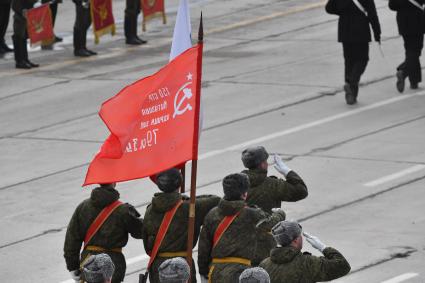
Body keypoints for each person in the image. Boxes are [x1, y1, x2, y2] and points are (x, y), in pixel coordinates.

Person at [198, 173, 286, 283]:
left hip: (216, 272)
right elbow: (271, 224)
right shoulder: (251, 214)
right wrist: (280, 214)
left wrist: (203, 272)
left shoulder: (212, 214)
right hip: (240, 273)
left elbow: (203, 248)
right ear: (244, 194)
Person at [142, 168, 220, 283]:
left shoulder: (150, 210)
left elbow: (146, 241)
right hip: (182, 264)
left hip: (158, 266)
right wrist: (187, 198)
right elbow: (215, 200)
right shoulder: (189, 207)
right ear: (180, 183)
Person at [241, 146, 308, 265]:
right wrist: (287, 171)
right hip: (265, 248)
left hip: (240, 246)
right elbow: (301, 191)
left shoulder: (237, 184)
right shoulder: (272, 185)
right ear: (262, 164)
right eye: (265, 161)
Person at [64, 183, 143, 283]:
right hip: (113, 266)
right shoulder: (123, 210)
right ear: (114, 183)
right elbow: (140, 232)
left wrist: (72, 266)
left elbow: (72, 239)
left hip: (88, 263)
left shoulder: (83, 207)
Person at [326, 0, 381, 105]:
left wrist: (343, 12)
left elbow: (329, 8)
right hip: (360, 29)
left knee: (349, 61)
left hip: (344, 29)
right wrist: (377, 33)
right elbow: (372, 14)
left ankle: (351, 95)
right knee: (362, 59)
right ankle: (351, 84)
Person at [259, 221, 351, 283]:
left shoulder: (264, 266)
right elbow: (343, 266)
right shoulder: (307, 263)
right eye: (299, 235)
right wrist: (323, 248)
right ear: (295, 241)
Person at [389, 0, 425, 92]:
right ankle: (404, 71)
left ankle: (414, 81)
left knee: (410, 50)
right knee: (415, 51)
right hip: (417, 19)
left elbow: (392, 5)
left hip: (403, 21)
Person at [11, 0, 39, 69]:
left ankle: (25, 59)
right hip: (20, 12)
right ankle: (19, 61)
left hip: (27, 10)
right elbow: (15, 4)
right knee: (19, 35)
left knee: (24, 36)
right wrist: (21, 10)